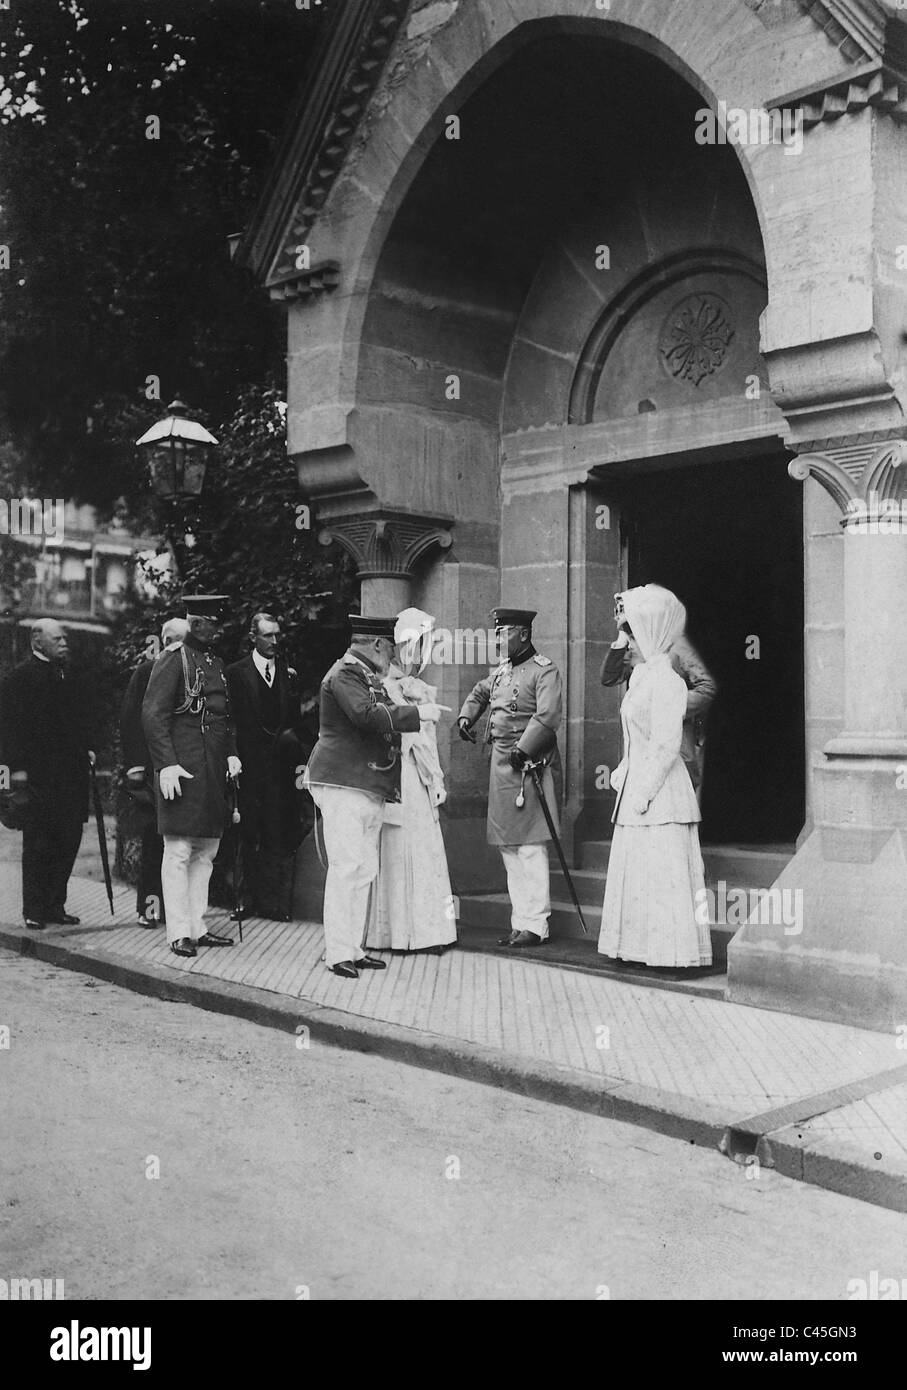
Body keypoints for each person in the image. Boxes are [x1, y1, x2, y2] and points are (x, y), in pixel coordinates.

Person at [305, 614, 447, 979]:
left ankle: (352, 947)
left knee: (363, 868)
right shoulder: (345, 674)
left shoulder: (365, 676)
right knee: (347, 867)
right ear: (379, 645)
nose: (395, 655)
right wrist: (420, 712)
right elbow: (366, 716)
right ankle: (338, 953)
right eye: (392, 648)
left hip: (364, 784)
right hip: (345, 783)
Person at [597, 584, 712, 969]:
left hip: (661, 788)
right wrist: (625, 772)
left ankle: (670, 953)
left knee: (663, 871)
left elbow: (666, 744)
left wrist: (643, 792)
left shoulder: (666, 680)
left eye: (631, 635)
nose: (625, 644)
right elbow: (637, 739)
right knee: (641, 869)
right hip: (640, 781)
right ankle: (640, 946)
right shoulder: (643, 676)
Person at [141, 595, 241, 959]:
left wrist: (231, 752)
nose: (218, 628)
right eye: (212, 622)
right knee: (179, 850)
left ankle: (197, 926)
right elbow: (153, 715)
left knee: (207, 851)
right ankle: (178, 931)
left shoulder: (216, 662)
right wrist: (165, 763)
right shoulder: (172, 659)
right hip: (182, 769)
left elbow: (224, 716)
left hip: (212, 769)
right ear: (196, 623)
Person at [458, 608, 562, 948]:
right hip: (501, 766)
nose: (498, 639)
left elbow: (547, 716)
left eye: (504, 633)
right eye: (497, 632)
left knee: (530, 846)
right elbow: (478, 693)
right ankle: (520, 922)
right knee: (509, 847)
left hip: (529, 767)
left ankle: (537, 924)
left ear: (523, 634)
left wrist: (525, 748)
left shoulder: (544, 671)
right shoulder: (501, 672)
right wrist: (466, 718)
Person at [365, 608, 457, 955]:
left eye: (423, 645)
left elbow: (427, 742)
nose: (418, 653)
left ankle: (429, 931)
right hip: (396, 772)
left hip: (417, 775)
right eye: (413, 645)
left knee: (424, 848)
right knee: (397, 847)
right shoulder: (383, 686)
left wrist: (435, 779)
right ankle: (396, 933)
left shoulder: (417, 687)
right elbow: (408, 736)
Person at [0, 618, 96, 930]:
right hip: (39, 778)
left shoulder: (70, 675)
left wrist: (89, 747)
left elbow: (83, 719)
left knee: (68, 841)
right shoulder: (19, 678)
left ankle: (56, 905)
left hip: (71, 777)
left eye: (64, 639)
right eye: (57, 639)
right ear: (37, 641)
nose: (64, 644)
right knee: (39, 844)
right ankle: (34, 909)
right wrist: (17, 772)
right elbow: (9, 730)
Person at [226, 612, 310, 920]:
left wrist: (300, 764)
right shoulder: (236, 674)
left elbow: (296, 725)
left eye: (277, 635)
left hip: (281, 769)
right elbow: (230, 721)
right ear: (253, 638)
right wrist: (232, 756)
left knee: (279, 832)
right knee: (248, 833)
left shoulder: (289, 675)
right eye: (268, 636)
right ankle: (244, 901)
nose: (274, 641)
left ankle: (275, 903)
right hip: (249, 767)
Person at [600, 591, 716, 797]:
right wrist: (621, 641)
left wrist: (670, 707)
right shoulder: (635, 643)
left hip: (676, 743)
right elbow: (609, 678)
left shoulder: (677, 645)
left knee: (675, 803)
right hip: (641, 746)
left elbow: (707, 687)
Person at [119, 617, 189, 926]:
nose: (178, 646)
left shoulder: (194, 673)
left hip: (186, 769)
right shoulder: (147, 672)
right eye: (173, 640)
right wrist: (135, 765)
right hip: (152, 770)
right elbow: (130, 719)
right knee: (154, 842)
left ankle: (180, 911)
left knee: (183, 844)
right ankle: (149, 911)